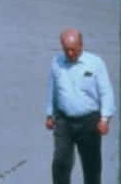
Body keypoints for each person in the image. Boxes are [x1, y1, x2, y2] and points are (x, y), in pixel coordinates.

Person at [45, 28, 116, 184]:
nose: (70, 53)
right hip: (64, 121)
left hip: (89, 122)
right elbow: (52, 89)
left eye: (73, 49)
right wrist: (50, 114)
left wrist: (105, 119)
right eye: (66, 50)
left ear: (81, 45)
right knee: (60, 163)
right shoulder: (56, 62)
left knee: (92, 166)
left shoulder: (96, 63)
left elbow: (106, 92)